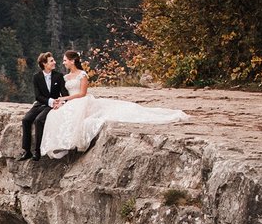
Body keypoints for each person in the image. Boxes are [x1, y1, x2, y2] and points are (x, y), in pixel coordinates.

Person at [39, 49, 187, 159]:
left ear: (72, 61)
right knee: (56, 115)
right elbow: (61, 91)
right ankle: (61, 145)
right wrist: (58, 100)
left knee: (80, 119)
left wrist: (66, 99)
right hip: (71, 101)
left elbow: (82, 93)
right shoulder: (66, 76)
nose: (63, 62)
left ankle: (69, 143)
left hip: (81, 100)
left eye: (65, 60)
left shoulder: (83, 75)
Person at [21, 52, 66, 161]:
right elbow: (38, 96)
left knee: (39, 120)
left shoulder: (59, 76)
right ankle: (27, 151)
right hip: (41, 103)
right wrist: (50, 101)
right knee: (26, 120)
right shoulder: (36, 77)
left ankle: (38, 151)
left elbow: (64, 93)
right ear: (44, 64)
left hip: (52, 106)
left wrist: (60, 102)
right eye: (51, 61)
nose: (54, 62)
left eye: (53, 60)